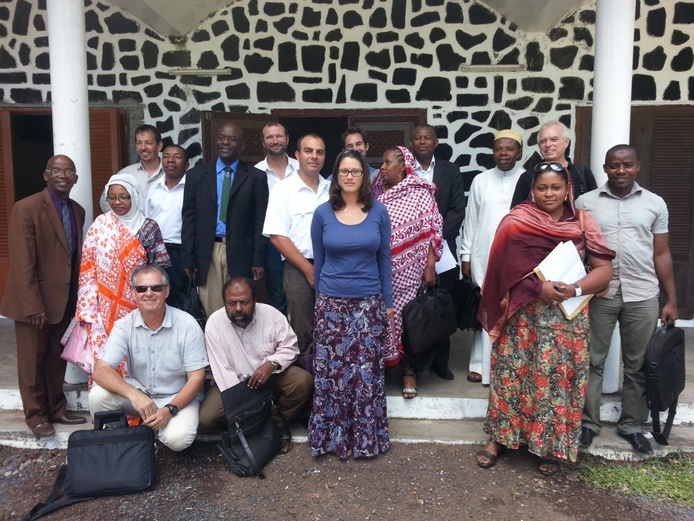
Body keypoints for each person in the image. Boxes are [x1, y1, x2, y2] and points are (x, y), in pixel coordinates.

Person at [476, 161, 614, 476]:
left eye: (556, 187)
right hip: (523, 316)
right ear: (532, 191)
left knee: (556, 382)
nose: (549, 193)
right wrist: (538, 288)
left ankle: (549, 445)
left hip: (566, 319)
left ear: (568, 190)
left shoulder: (583, 222)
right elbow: (501, 272)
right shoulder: (516, 220)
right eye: (542, 188)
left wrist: (574, 287)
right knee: (512, 376)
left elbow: (605, 270)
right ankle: (499, 438)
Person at [577, 145, 678, 455]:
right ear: (605, 168)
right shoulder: (586, 203)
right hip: (601, 293)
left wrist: (671, 299)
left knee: (638, 365)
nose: (620, 171)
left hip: (642, 293)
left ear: (637, 167)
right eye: (614, 166)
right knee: (592, 359)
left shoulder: (654, 204)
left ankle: (632, 425)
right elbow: (577, 251)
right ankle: (588, 423)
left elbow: (661, 253)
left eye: (627, 165)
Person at [309, 150, 393, 459]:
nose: (349, 176)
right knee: (333, 374)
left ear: (364, 176)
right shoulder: (322, 214)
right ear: (336, 175)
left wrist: (388, 302)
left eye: (355, 171)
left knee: (364, 373)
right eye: (343, 171)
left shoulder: (379, 213)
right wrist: (321, 301)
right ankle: (332, 439)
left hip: (368, 305)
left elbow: (384, 258)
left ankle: (366, 439)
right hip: (331, 305)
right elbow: (319, 261)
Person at [0, 155, 87, 437]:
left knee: (54, 359)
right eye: (57, 171)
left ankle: (56, 408)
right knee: (31, 362)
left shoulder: (77, 210)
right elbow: (23, 263)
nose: (63, 175)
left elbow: (71, 259)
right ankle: (36, 415)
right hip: (33, 303)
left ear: (75, 178)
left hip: (63, 301)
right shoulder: (26, 208)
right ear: (46, 175)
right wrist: (32, 305)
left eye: (69, 171)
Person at [89, 265, 208, 452]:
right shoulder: (124, 326)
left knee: (178, 440)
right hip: (141, 395)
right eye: (142, 288)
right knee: (97, 395)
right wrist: (134, 395)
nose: (149, 293)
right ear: (133, 293)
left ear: (167, 291)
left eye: (156, 288)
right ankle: (119, 439)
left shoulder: (187, 325)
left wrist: (169, 410)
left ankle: (150, 432)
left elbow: (197, 378)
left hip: (177, 398)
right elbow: (100, 370)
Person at [76, 173, 170, 380]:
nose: (117, 202)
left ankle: (141, 404)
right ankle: (109, 405)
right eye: (112, 197)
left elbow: (160, 268)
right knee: (107, 355)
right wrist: (88, 307)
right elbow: (88, 266)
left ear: (134, 197)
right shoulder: (100, 225)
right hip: (104, 307)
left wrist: (152, 297)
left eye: (124, 197)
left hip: (142, 303)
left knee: (141, 354)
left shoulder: (149, 227)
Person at [373, 146, 444, 399]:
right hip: (381, 273)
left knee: (409, 320)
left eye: (386, 162)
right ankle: (379, 369)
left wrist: (430, 266)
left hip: (412, 272)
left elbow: (432, 231)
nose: (382, 167)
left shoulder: (421, 193)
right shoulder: (375, 192)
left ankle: (409, 371)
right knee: (380, 319)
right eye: (382, 163)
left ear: (403, 166)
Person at [199, 277, 313, 431]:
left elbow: (290, 347)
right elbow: (223, 372)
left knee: (302, 381)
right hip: (235, 385)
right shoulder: (214, 324)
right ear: (224, 302)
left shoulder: (272, 314)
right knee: (208, 417)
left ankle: (274, 425)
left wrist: (271, 364)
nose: (238, 308)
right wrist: (244, 402)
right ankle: (250, 425)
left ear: (255, 300)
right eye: (232, 303)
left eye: (244, 302)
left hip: (273, 378)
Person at [182, 122, 269, 316]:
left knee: (240, 307)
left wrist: (258, 260)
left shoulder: (256, 178)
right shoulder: (196, 176)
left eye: (232, 138)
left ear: (242, 146)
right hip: (208, 252)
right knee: (212, 309)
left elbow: (260, 222)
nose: (226, 142)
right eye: (221, 137)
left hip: (241, 252)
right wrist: (188, 257)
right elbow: (189, 218)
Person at [460, 130, 525, 385]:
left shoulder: (527, 179)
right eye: (499, 149)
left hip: (517, 256)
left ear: (519, 152)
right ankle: (480, 363)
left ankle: (509, 365)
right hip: (483, 253)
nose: (504, 153)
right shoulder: (481, 180)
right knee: (486, 306)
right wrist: (466, 255)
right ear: (493, 152)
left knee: (513, 308)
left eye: (510, 149)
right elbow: (471, 221)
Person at [263, 133, 330, 360]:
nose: (314, 156)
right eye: (309, 151)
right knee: (303, 328)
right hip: (297, 268)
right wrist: (308, 270)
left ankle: (332, 378)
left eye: (319, 152)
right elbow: (277, 236)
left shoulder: (333, 190)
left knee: (333, 323)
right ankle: (308, 384)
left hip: (333, 267)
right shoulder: (283, 190)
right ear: (297, 155)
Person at [410, 124, 466, 380]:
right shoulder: (404, 170)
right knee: (412, 307)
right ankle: (414, 362)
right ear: (412, 142)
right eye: (418, 138)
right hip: (409, 250)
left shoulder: (450, 170)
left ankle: (440, 362)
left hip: (444, 251)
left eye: (427, 138)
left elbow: (457, 209)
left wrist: (434, 238)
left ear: (436, 142)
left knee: (443, 304)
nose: (422, 142)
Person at [255, 122, 299, 316]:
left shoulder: (302, 168)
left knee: (302, 299)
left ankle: (305, 345)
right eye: (270, 137)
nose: (275, 141)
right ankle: (282, 345)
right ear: (263, 142)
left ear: (287, 139)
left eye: (279, 136)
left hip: (300, 242)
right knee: (277, 300)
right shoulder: (255, 173)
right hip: (271, 245)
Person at [511, 120, 597, 207]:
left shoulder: (583, 174)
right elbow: (517, 213)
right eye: (543, 141)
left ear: (566, 142)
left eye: (554, 139)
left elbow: (595, 208)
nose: (548, 144)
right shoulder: (528, 177)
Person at [145, 144, 188, 308]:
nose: (171, 160)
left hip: (179, 250)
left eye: (177, 157)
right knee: (156, 295)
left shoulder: (192, 188)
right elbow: (147, 220)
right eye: (167, 156)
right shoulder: (154, 188)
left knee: (178, 296)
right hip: (154, 250)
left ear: (186, 165)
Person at [99, 124, 164, 213]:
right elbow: (105, 201)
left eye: (148, 143)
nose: (143, 147)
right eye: (139, 143)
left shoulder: (171, 174)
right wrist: (123, 220)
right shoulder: (125, 174)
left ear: (159, 146)